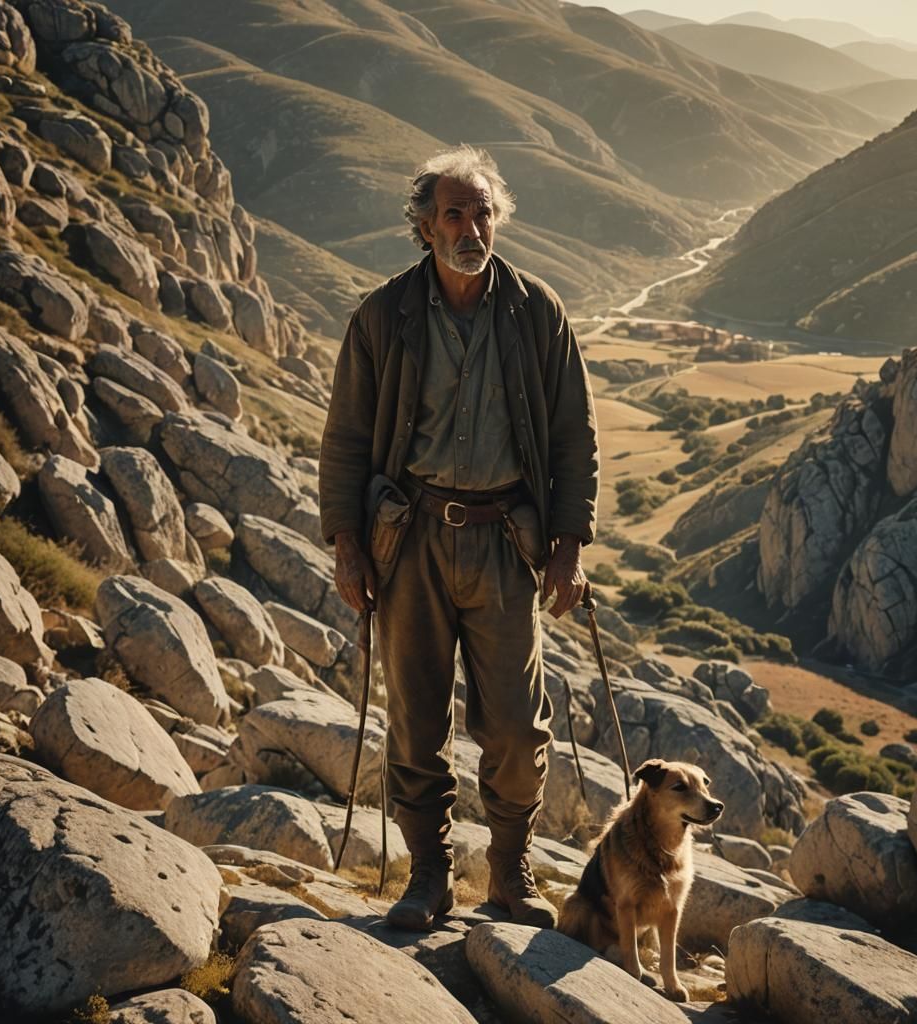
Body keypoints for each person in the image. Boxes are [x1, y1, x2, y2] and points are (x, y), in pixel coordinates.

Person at [319, 145, 599, 931]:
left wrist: (569, 545)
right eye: (453, 214)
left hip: (506, 542)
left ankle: (509, 873)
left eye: (482, 213)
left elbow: (574, 433)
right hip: (408, 541)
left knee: (514, 725)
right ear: (424, 225)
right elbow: (345, 438)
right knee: (415, 720)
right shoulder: (384, 316)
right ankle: (429, 877)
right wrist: (347, 544)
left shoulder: (537, 311)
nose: (470, 228)